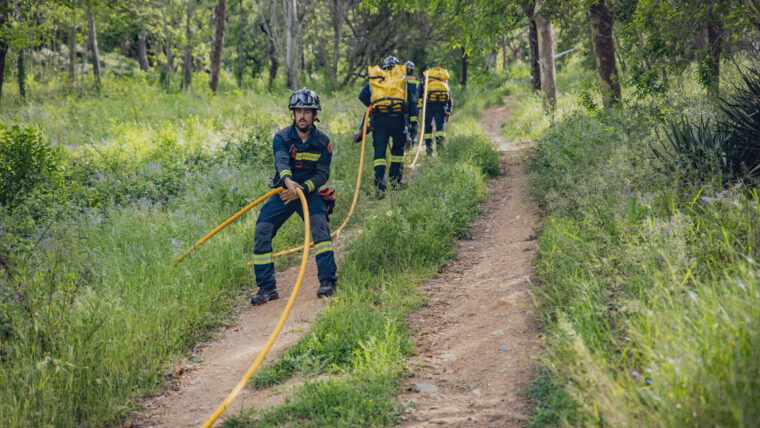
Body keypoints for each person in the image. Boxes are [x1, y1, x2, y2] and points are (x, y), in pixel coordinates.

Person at [250, 88, 337, 305]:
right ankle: (267, 287)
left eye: (307, 111)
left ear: (315, 115)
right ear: (293, 113)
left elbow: (322, 174)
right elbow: (281, 162)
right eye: (298, 111)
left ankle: (327, 281)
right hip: (284, 193)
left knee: (320, 229)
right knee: (262, 231)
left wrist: (303, 188)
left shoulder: (323, 143)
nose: (302, 116)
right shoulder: (281, 138)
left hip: (308, 193)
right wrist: (289, 183)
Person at [358, 55, 416, 199]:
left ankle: (379, 188)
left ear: (384, 67)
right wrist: (413, 125)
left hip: (379, 121)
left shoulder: (376, 79)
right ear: (397, 67)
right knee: (397, 152)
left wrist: (374, 105)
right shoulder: (402, 80)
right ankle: (395, 183)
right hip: (398, 120)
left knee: (379, 154)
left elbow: (362, 95)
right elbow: (412, 103)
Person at [420, 67, 453, 155]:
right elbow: (449, 97)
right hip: (441, 106)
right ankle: (440, 149)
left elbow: (419, 93)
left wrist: (421, 105)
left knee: (428, 126)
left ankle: (429, 149)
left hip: (428, 105)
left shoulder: (426, 79)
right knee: (440, 128)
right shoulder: (443, 81)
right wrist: (448, 112)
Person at [405, 60, 421, 148]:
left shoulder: (401, 80)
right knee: (414, 124)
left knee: (405, 123)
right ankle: (413, 142)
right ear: (413, 70)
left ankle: (406, 138)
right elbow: (421, 94)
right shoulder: (418, 81)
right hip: (415, 107)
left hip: (404, 105)